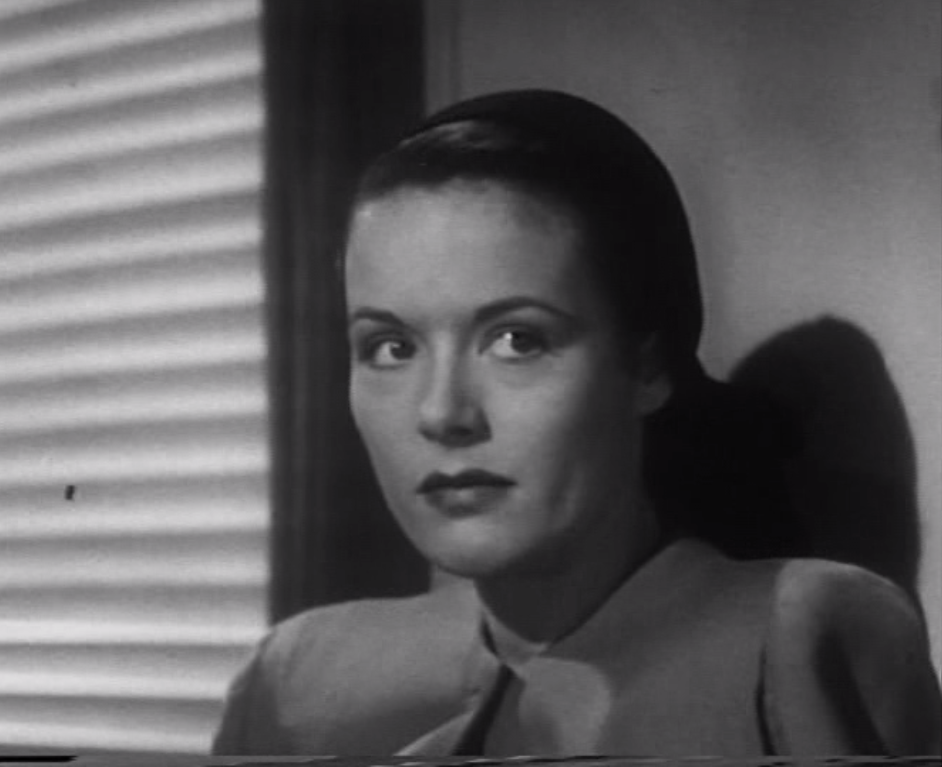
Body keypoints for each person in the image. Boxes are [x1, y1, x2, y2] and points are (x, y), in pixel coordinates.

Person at [212, 89, 941, 756]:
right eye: (391, 347)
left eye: (517, 340)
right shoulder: (296, 680)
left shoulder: (797, 635)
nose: (442, 413)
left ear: (647, 365)